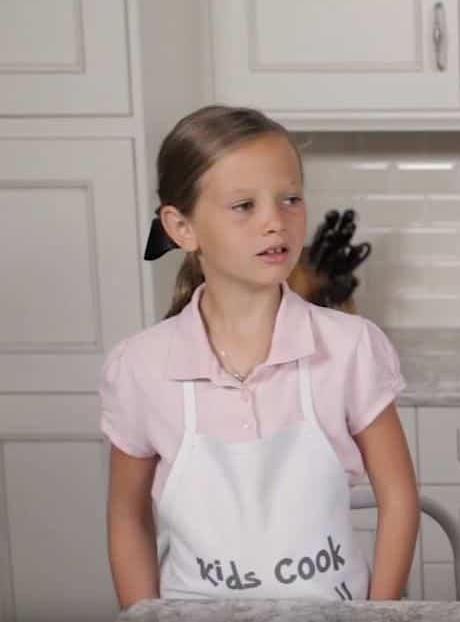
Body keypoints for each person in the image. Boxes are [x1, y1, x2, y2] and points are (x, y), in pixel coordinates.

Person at [100, 106, 418, 606]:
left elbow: (398, 498)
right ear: (182, 227)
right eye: (244, 206)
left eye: (290, 199)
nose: (276, 222)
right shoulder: (139, 367)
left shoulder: (351, 348)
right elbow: (126, 515)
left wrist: (378, 615)